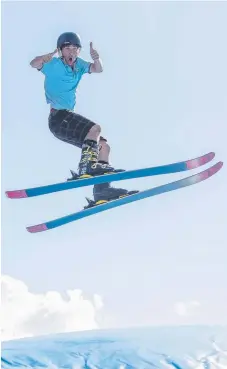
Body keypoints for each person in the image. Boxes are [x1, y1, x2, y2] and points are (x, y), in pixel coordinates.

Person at [30, 32, 137, 206]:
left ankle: (102, 191)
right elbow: (33, 63)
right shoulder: (53, 64)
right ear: (60, 51)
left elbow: (98, 69)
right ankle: (86, 167)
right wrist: (46, 57)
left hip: (66, 120)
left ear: (79, 51)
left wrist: (97, 58)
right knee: (94, 129)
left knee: (103, 146)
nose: (71, 52)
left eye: (75, 49)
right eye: (67, 48)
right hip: (58, 118)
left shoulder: (79, 65)